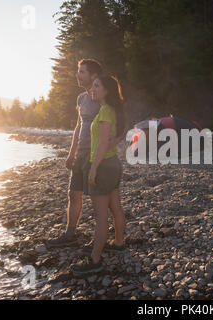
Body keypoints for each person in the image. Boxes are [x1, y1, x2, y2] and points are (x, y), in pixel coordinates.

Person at [45, 59, 123, 248]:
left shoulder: (101, 97)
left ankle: (108, 241)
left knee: (102, 202)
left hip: (95, 155)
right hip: (80, 154)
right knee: (73, 193)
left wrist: (115, 141)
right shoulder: (81, 98)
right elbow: (78, 126)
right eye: (78, 71)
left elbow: (121, 120)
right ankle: (70, 234)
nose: (78, 75)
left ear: (93, 75)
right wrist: (71, 153)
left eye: (82, 72)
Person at [71, 74, 127, 276]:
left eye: (96, 86)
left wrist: (93, 168)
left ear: (106, 90)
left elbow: (102, 143)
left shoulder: (104, 111)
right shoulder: (114, 110)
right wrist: (114, 143)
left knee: (101, 217)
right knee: (116, 208)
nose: (92, 89)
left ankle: (95, 260)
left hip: (103, 166)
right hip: (113, 164)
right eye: (92, 86)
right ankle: (119, 243)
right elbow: (118, 134)